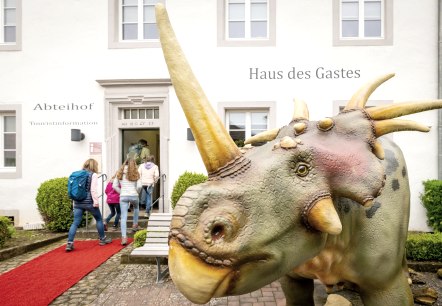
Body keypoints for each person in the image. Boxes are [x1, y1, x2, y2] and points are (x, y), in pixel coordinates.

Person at [66, 159, 112, 252]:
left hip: (78, 202)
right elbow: (93, 190)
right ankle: (102, 239)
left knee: (75, 223)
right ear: (94, 166)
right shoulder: (93, 175)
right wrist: (96, 202)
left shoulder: (78, 174)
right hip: (89, 202)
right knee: (99, 219)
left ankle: (69, 243)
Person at [113, 158, 142, 245]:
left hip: (123, 196)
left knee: (123, 217)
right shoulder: (136, 172)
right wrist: (137, 192)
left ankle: (124, 237)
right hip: (134, 195)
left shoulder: (120, 172)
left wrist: (121, 192)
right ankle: (135, 224)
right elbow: (140, 186)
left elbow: (114, 186)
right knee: (136, 208)